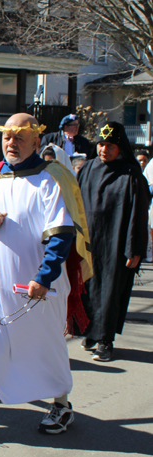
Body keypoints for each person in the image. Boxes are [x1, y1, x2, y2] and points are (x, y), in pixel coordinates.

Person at [0, 113, 92, 442]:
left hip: (40, 287)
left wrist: (45, 276)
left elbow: (62, 234)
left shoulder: (50, 178)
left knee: (45, 347)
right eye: (7, 137)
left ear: (36, 141)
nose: (11, 143)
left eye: (19, 137)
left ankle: (61, 404)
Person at [78, 121, 150, 362]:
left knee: (109, 293)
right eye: (100, 144)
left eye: (109, 145)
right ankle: (90, 333)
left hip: (116, 245)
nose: (103, 150)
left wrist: (135, 249)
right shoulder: (88, 169)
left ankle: (105, 340)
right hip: (89, 244)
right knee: (87, 291)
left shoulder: (131, 175)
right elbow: (75, 205)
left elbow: (138, 215)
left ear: (120, 148)